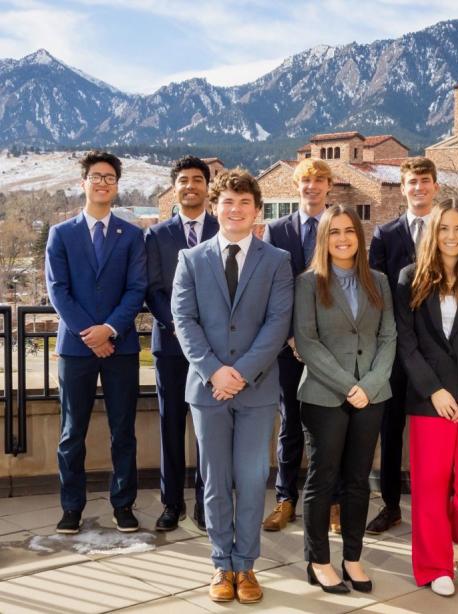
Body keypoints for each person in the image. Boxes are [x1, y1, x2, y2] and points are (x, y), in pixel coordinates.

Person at [172, 168, 293, 604]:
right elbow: (183, 321)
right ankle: (221, 564)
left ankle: (247, 566)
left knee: (252, 475)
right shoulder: (191, 259)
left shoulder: (276, 260)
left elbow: (278, 323)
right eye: (227, 202)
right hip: (208, 391)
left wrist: (240, 372)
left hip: (257, 390)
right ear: (214, 207)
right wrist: (212, 371)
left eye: (245, 203)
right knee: (215, 480)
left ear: (257, 211)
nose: (235, 210)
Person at [294, 205, 397, 594]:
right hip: (324, 396)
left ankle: (352, 558)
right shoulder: (308, 283)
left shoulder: (379, 281)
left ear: (359, 235)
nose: (342, 238)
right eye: (333, 231)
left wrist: (369, 385)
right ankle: (318, 560)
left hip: (372, 396)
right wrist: (347, 385)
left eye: (349, 231)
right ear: (324, 238)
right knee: (323, 480)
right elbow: (308, 341)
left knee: (358, 481)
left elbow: (388, 337)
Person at [395, 198, 458, 597]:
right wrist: (432, 389)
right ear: (432, 233)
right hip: (428, 400)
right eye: (444, 229)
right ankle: (436, 566)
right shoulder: (409, 278)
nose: (451, 237)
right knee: (430, 488)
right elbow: (407, 342)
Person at [46, 150, 147, 534]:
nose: (102, 182)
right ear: (83, 182)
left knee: (123, 431)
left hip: (119, 349)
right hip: (76, 349)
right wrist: (92, 334)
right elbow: (58, 290)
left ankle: (124, 505)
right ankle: (71, 507)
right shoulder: (62, 233)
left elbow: (136, 289)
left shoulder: (132, 235)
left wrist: (111, 330)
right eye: (96, 176)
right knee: (72, 432)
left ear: (117, 186)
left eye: (109, 177)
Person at [262, 158, 342, 533]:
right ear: (297, 186)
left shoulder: (340, 227)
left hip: (332, 347)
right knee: (290, 424)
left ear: (329, 186)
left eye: (319, 181)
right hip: (289, 346)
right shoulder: (277, 230)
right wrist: (292, 336)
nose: (312, 187)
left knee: (332, 424)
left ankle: (334, 502)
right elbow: (272, 289)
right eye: (305, 181)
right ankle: (285, 499)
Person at [366, 156, 439, 535]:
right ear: (403, 187)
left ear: (435, 187)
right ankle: (391, 506)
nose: (419, 188)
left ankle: (437, 508)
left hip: (438, 350)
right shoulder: (385, 234)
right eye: (412, 182)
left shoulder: (449, 229)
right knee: (390, 431)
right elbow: (375, 290)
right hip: (395, 350)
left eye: (425, 181)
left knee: (436, 435)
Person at [145, 156, 218, 532]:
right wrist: (178, 324)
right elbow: (153, 289)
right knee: (171, 426)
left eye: (197, 180)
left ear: (207, 186)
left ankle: (206, 505)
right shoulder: (157, 235)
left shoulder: (224, 229)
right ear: (174, 187)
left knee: (209, 430)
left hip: (214, 351)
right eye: (183, 180)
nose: (190, 186)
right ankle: (171, 504)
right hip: (171, 346)